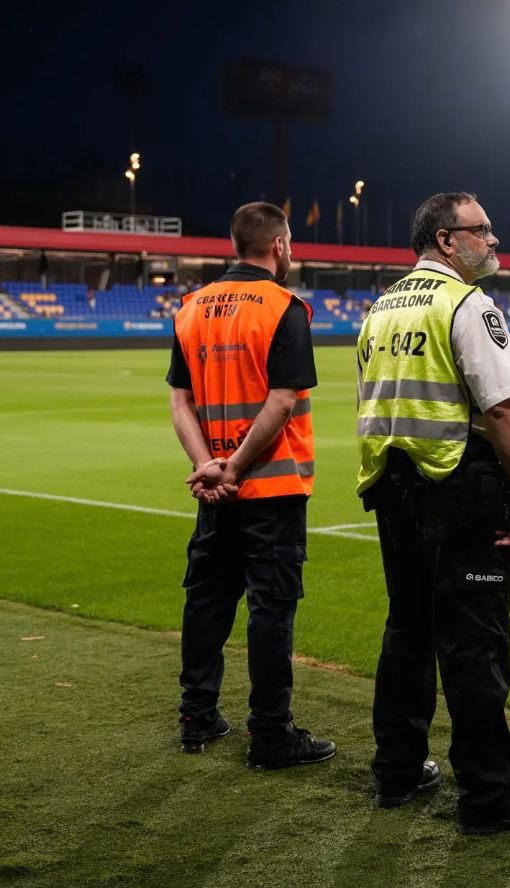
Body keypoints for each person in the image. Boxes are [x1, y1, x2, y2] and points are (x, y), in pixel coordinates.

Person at [356, 192, 510, 836]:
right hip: (458, 491)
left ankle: (397, 771)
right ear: (447, 240)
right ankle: (487, 797)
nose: (494, 241)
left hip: (393, 490)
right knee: (473, 644)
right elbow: (502, 412)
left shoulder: (380, 308)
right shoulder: (466, 303)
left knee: (407, 632)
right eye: (482, 230)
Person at [166, 201, 335, 769]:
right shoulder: (284, 307)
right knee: (271, 610)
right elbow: (283, 400)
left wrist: (207, 467)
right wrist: (235, 467)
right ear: (279, 245)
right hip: (272, 489)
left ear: (234, 243)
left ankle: (197, 716)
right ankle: (270, 735)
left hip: (213, 494)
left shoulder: (190, 308)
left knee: (207, 600)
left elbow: (178, 400)